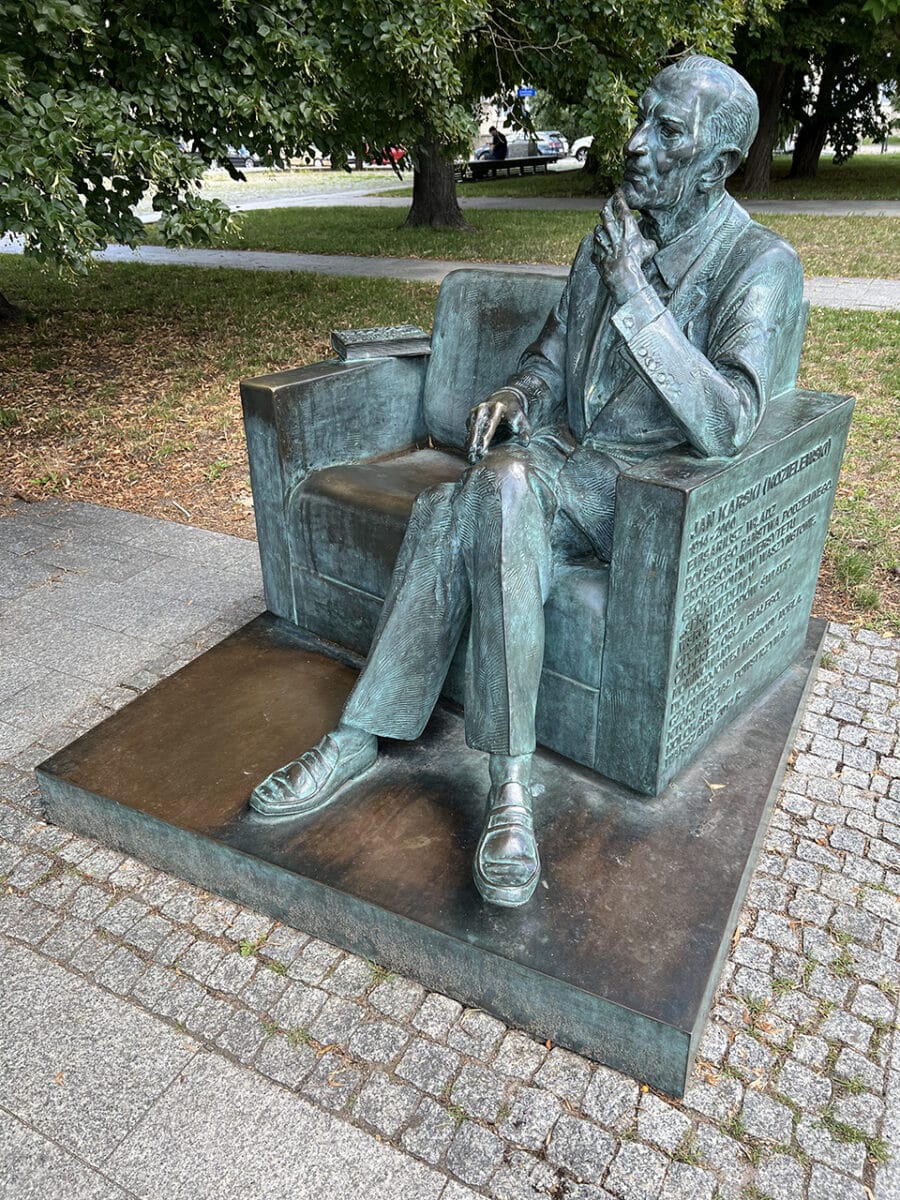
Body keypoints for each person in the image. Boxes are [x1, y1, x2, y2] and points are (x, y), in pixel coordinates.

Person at [249, 56, 804, 908]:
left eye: (668, 133)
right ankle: (495, 782)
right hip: (553, 462)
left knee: (482, 496)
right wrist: (517, 393)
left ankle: (383, 744)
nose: (635, 144)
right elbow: (552, 357)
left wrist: (632, 293)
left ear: (718, 166)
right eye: (641, 117)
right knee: (478, 496)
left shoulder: (758, 266)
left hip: (642, 491)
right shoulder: (613, 232)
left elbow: (729, 421)